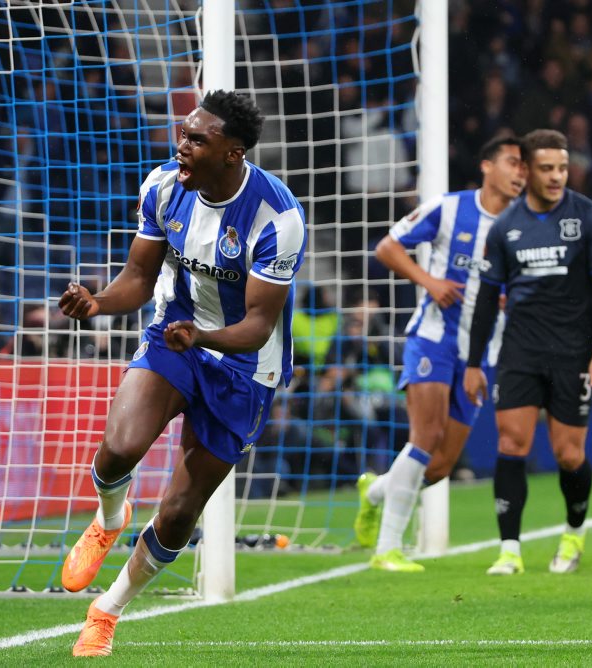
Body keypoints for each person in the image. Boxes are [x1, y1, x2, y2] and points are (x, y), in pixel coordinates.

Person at [57, 90, 305, 657]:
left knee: (176, 514)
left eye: (197, 140)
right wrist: (96, 303)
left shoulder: (278, 217)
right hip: (174, 339)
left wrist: (205, 336)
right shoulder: (165, 186)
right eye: (183, 135)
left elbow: (261, 324)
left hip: (245, 367)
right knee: (119, 447)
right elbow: (139, 280)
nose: (182, 147)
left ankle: (106, 612)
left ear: (233, 153)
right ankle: (108, 520)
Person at [353, 136, 526, 572]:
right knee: (424, 437)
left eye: (525, 166)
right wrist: (428, 282)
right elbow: (387, 246)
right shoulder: (449, 208)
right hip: (433, 336)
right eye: (512, 162)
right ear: (487, 165)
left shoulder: (525, 224)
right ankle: (388, 549)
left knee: (441, 464)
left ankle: (374, 492)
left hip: (480, 351)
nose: (520, 172)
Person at [464, 129, 592, 576]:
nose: (557, 177)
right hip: (521, 351)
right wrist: (474, 364)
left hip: (573, 352)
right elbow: (485, 299)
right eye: (547, 168)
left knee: (569, 455)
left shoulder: (590, 217)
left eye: (563, 168)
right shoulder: (505, 226)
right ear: (526, 169)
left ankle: (574, 531)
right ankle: (509, 550)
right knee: (512, 442)